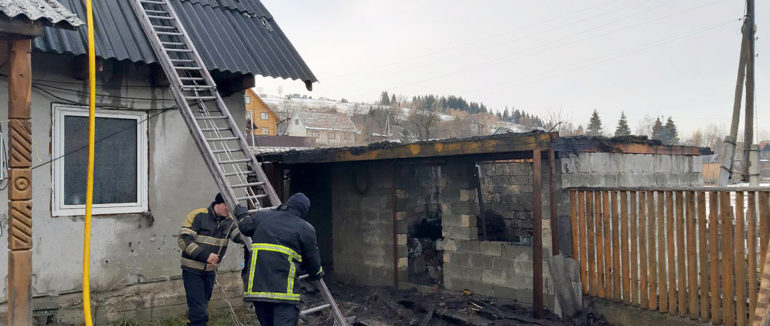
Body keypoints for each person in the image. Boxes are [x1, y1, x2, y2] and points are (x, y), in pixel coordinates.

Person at [238, 192, 324, 326]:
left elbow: (245, 227)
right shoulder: (305, 228)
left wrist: (242, 215)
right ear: (304, 211)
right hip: (284, 294)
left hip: (258, 292)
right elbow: (313, 260)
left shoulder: (263, 217)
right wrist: (317, 273)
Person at [178, 193, 248, 326]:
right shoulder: (198, 215)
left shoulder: (229, 222)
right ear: (218, 203)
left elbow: (240, 237)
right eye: (226, 205)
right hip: (192, 270)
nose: (229, 209)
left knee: (201, 307)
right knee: (199, 312)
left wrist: (249, 224)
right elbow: (183, 240)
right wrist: (205, 256)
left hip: (210, 271)